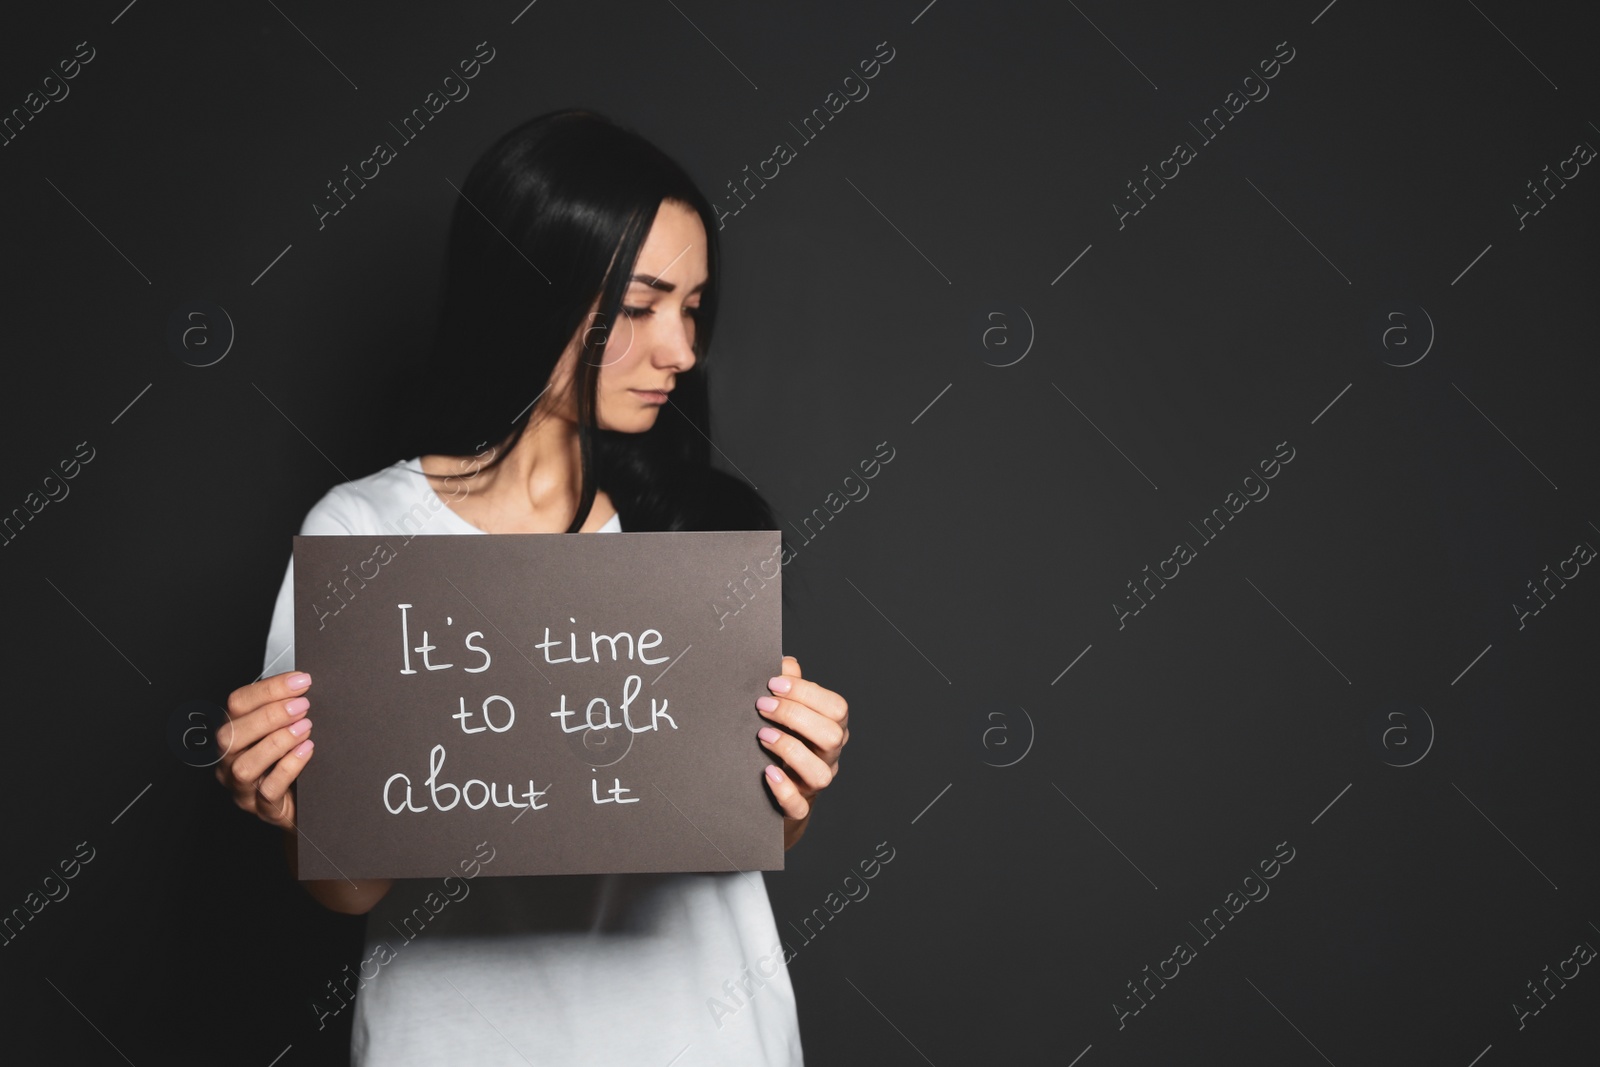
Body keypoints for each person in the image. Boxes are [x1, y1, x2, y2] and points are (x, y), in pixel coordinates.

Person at [214, 109, 849, 1065]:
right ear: (532, 291)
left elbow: (736, 835)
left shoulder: (705, 523)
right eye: (639, 308)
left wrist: (790, 793)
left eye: (693, 307)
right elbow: (350, 887)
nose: (681, 349)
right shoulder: (367, 533)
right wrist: (300, 813)